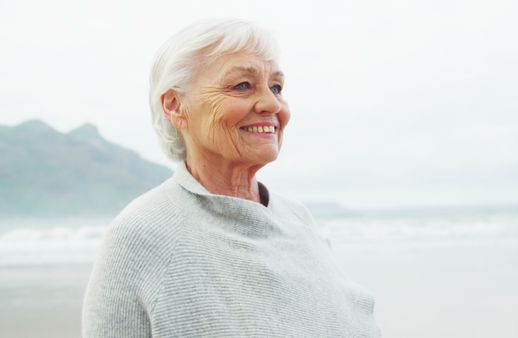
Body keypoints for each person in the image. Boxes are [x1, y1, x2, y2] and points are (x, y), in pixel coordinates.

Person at [82, 18, 382, 338]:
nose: (271, 103)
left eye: (277, 87)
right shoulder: (140, 235)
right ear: (175, 105)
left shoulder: (299, 220)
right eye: (242, 85)